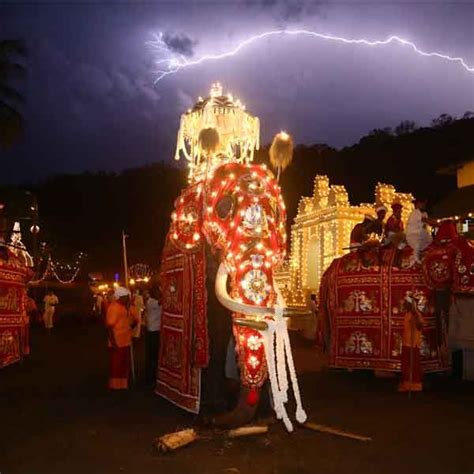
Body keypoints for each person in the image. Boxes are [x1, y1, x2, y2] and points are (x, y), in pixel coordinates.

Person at [106, 286, 139, 390]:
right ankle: (115, 386)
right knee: (117, 365)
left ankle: (122, 385)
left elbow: (135, 321)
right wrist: (114, 343)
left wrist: (130, 326)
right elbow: (109, 327)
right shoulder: (114, 307)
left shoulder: (124, 307)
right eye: (127, 297)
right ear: (121, 297)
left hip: (125, 341)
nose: (129, 299)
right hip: (117, 342)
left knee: (124, 364)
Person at [399, 294, 425, 392]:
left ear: (410, 304)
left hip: (413, 344)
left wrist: (416, 320)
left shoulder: (416, 314)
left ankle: (415, 385)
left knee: (413, 365)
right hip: (407, 342)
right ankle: (407, 385)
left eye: (406, 303)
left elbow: (420, 326)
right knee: (406, 365)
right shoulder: (407, 314)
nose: (404, 304)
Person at [406, 198, 437, 262]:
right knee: (417, 244)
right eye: (421, 203)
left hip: (421, 234)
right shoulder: (415, 212)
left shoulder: (424, 213)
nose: (424, 205)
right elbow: (426, 220)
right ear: (417, 205)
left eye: (424, 203)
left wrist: (437, 224)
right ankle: (415, 258)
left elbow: (429, 222)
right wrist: (438, 223)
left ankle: (424, 256)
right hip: (413, 235)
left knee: (431, 240)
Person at [144, 287, 162, 384]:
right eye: (157, 291)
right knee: (152, 355)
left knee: (155, 355)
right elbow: (162, 301)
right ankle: (150, 377)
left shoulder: (154, 301)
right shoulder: (151, 302)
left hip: (156, 330)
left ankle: (153, 375)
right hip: (152, 331)